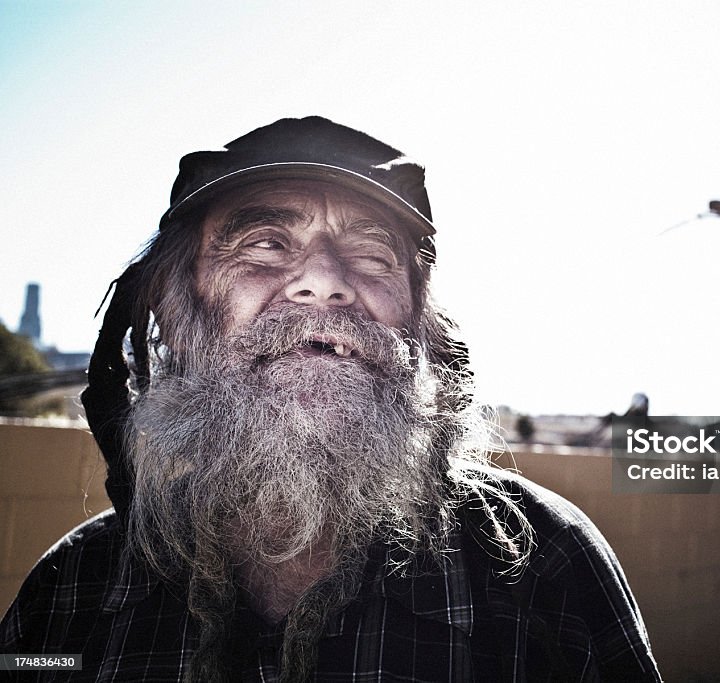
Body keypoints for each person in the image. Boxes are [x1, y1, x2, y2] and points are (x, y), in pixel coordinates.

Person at [0, 117, 661, 682]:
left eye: (373, 254)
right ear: (175, 313)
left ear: (418, 320)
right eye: (263, 243)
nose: (322, 280)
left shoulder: (545, 564)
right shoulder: (72, 592)